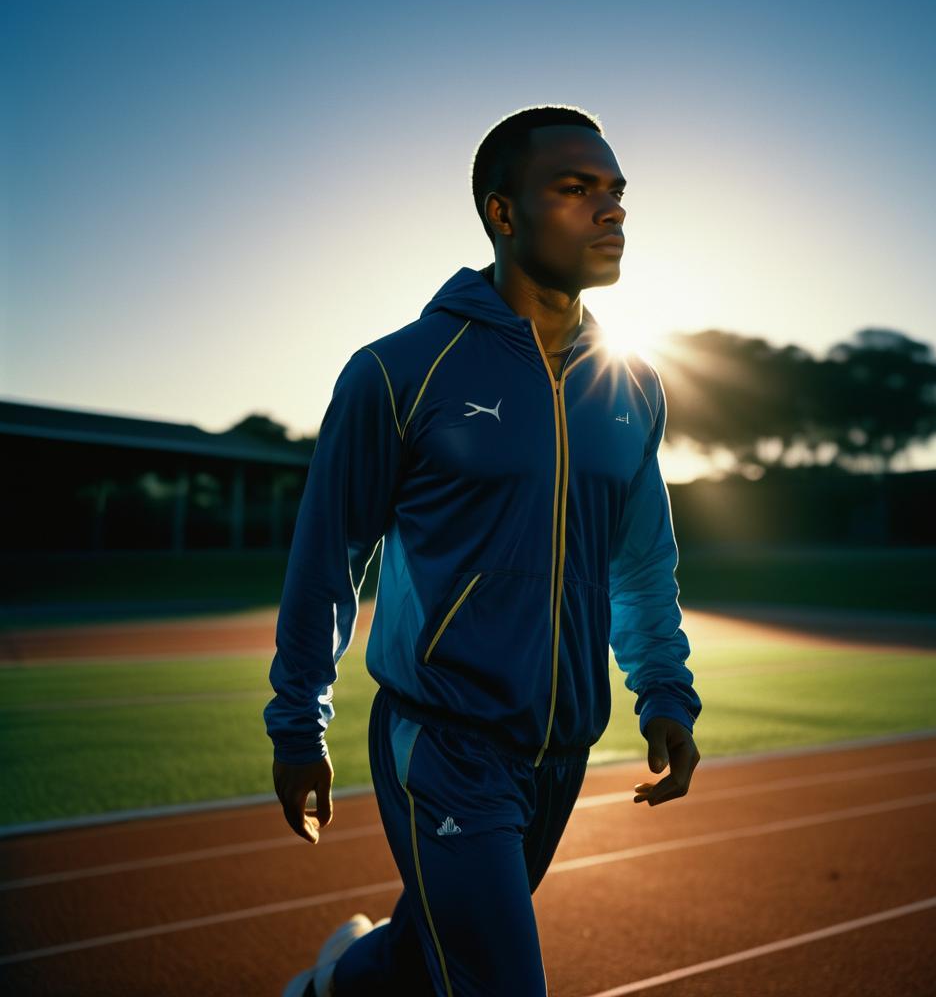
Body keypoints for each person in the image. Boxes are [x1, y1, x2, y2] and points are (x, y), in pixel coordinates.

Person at [265, 103, 702, 997]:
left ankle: (333, 987)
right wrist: (297, 719)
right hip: (444, 738)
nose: (611, 210)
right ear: (503, 214)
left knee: (434, 957)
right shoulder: (398, 370)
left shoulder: (635, 383)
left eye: (617, 192)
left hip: (563, 747)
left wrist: (663, 687)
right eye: (577, 189)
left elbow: (643, 560)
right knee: (500, 981)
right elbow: (328, 558)